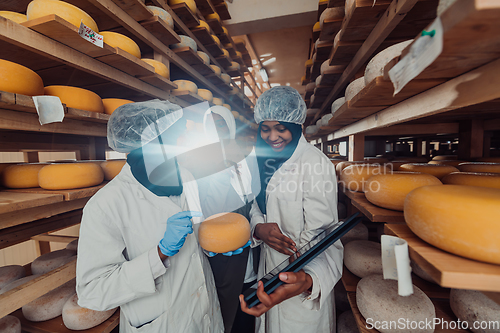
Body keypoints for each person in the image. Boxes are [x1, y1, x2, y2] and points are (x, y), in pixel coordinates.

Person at [76, 100, 224, 333]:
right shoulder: (106, 205)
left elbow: (196, 234)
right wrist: (159, 254)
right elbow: (93, 292)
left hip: (205, 313)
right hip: (161, 324)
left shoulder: (184, 177)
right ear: (147, 144)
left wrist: (212, 243)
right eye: (172, 139)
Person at [239, 87, 344, 332]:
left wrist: (307, 277)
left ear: (297, 125)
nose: (272, 136)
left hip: (302, 279)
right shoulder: (260, 159)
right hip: (268, 270)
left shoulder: (315, 163)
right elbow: (254, 202)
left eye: (281, 128)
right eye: (265, 128)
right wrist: (257, 228)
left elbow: (324, 235)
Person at [195, 106, 260, 333]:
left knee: (248, 312)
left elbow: (252, 201)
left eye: (220, 124)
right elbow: (208, 209)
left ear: (230, 127)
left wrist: (255, 227)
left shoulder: (243, 158)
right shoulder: (201, 164)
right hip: (222, 255)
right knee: (225, 314)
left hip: (251, 249)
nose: (216, 130)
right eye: (210, 125)